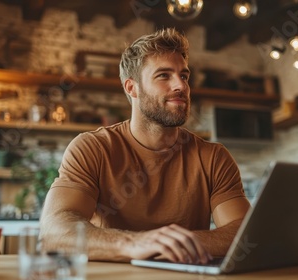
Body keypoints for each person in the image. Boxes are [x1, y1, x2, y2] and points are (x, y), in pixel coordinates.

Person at [40, 28, 250, 265]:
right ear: (132, 88)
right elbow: (54, 233)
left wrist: (174, 244)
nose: (180, 85)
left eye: (184, 75)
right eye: (164, 75)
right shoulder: (92, 148)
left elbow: (246, 233)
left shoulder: (214, 157)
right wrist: (137, 243)